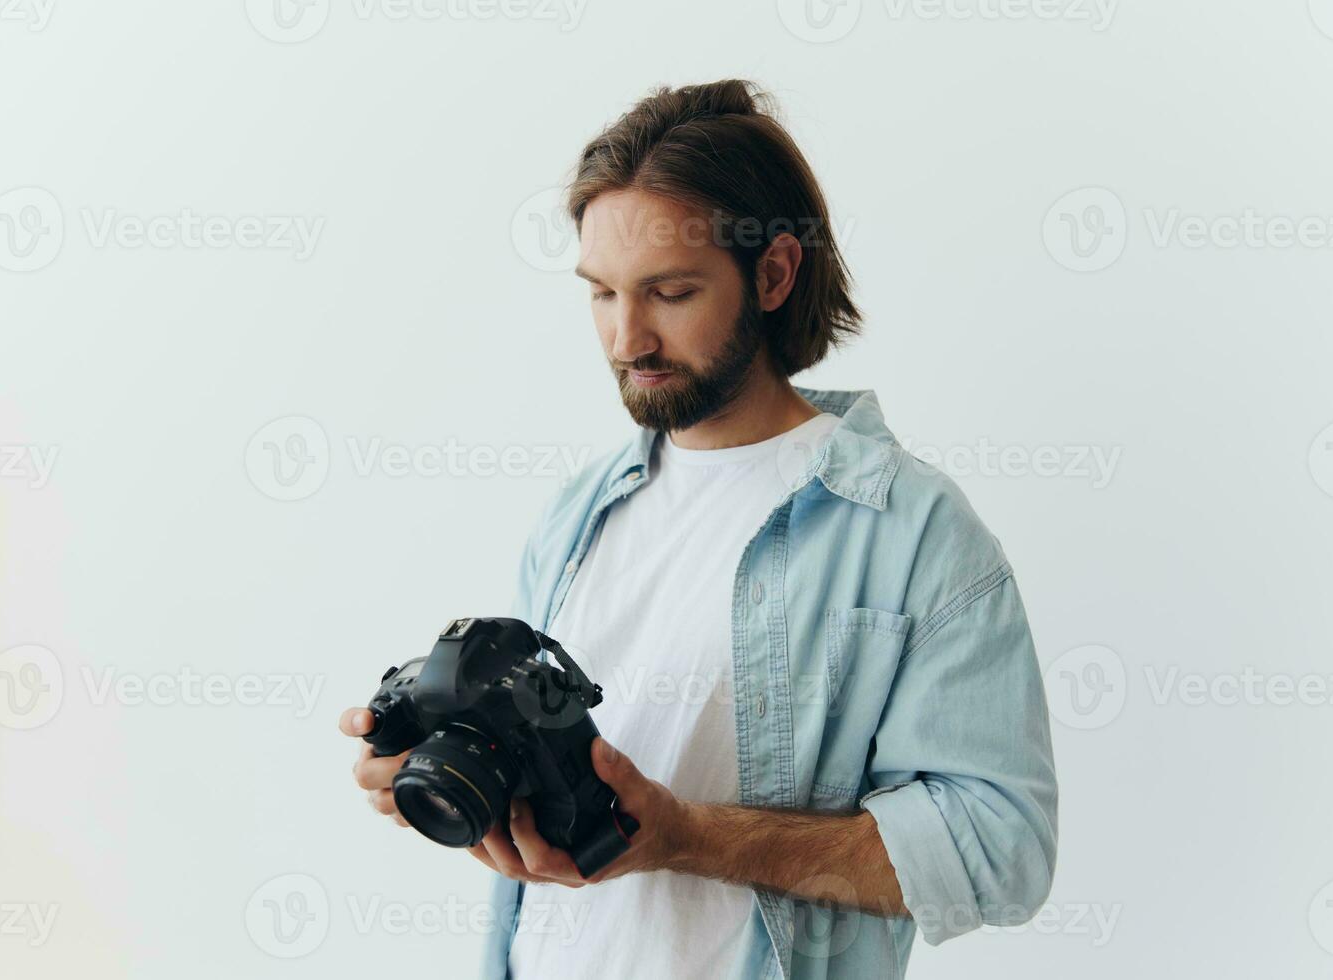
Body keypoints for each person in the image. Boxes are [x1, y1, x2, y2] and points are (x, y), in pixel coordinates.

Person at [339, 77, 1058, 980]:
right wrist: (450, 772)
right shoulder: (578, 513)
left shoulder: (914, 534)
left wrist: (690, 837)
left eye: (669, 293)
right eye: (600, 293)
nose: (624, 339)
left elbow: (1003, 851)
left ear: (774, 273)